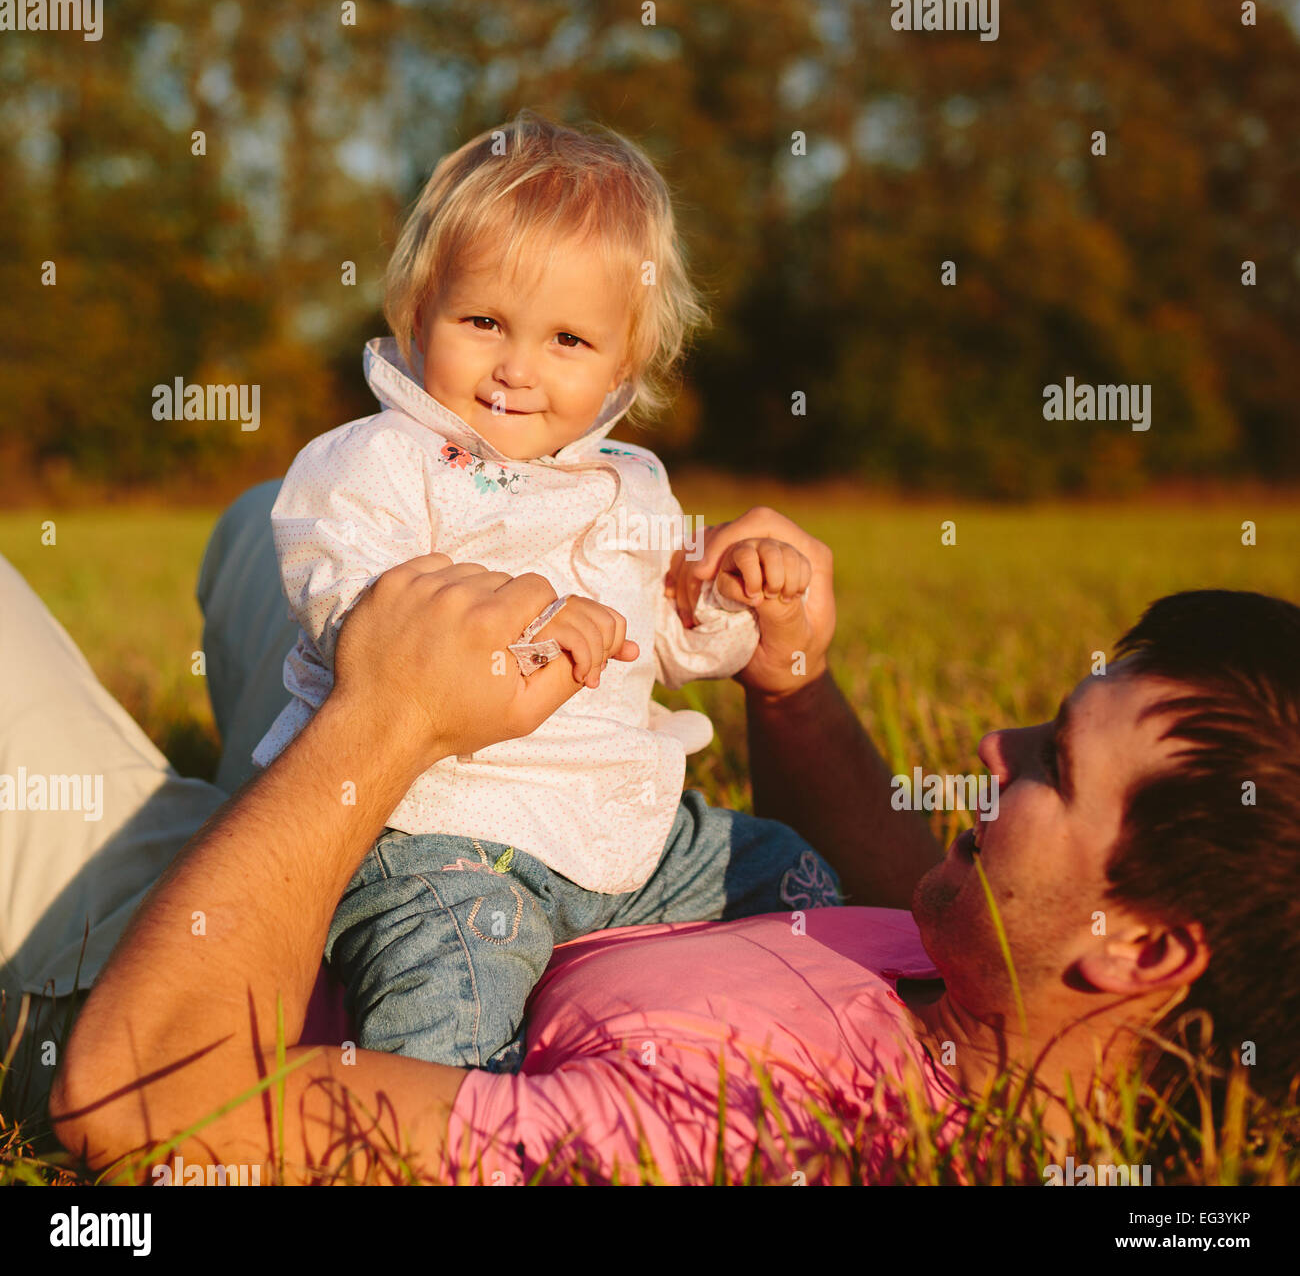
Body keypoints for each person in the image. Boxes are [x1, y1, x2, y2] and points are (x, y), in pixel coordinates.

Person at [34, 484, 1300, 1180]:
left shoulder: (739, 1132)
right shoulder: (992, 987)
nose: (990, 750)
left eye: (1050, 767)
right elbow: (880, 885)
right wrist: (789, 681)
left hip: (193, 984)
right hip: (428, 840)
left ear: (1141, 952)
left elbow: (156, 1110)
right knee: (277, 514)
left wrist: (386, 719)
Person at [252, 110, 845, 1072]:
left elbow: (677, 647)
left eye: (568, 339)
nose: (517, 369)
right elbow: (347, 611)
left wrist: (732, 603)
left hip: (625, 833)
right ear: (417, 307)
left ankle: (831, 1054)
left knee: (795, 875)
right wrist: (516, 623)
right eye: (483, 322)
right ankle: (427, 1143)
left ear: (628, 359)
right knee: (456, 985)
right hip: (433, 833)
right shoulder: (376, 462)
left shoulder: (632, 480)